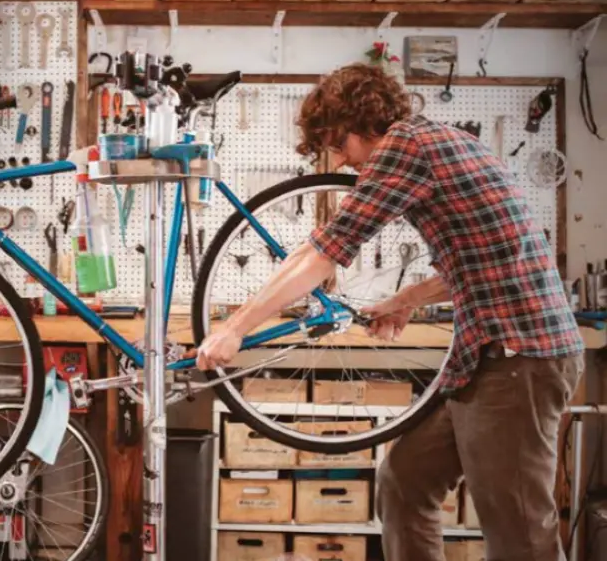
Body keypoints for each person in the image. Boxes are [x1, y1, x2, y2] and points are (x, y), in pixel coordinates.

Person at [196, 63, 585, 561]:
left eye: (337, 145)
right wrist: (404, 301)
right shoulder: (443, 144)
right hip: (483, 355)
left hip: (518, 357)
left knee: (518, 530)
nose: (342, 160)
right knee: (404, 481)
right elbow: (483, 260)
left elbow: (323, 252)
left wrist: (233, 328)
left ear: (357, 122)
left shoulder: (406, 147)